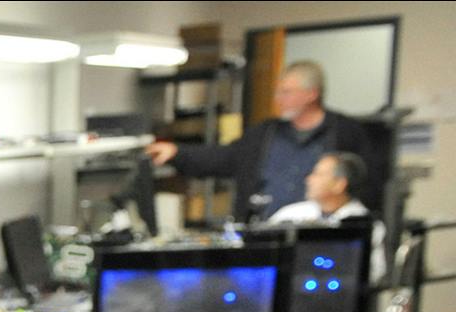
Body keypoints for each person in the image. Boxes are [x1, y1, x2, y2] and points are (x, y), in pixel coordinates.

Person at [149, 61, 382, 219]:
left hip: (319, 238)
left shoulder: (347, 133)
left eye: (287, 92)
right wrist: (178, 153)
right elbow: (224, 158)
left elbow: (367, 184)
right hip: (265, 233)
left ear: (312, 94)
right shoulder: (264, 134)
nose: (278, 99)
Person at [267, 151, 385, 281]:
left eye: (318, 174)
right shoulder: (290, 214)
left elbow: (374, 273)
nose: (309, 179)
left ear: (339, 184)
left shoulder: (365, 224)